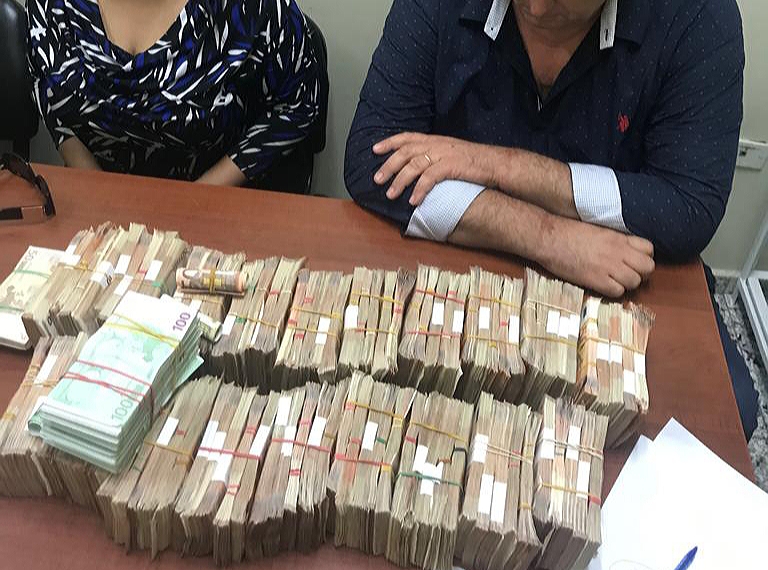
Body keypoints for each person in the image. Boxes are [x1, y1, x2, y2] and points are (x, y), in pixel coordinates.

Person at [345, 0, 758, 438]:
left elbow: (687, 208)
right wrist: (547, 237)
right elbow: (371, 161)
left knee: (723, 413)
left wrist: (497, 165)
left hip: (618, 278)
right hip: (463, 260)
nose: (538, 8)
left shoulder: (699, 16)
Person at [27, 0, 320, 188]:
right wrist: (98, 190)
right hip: (94, 207)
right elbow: (50, 89)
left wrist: (202, 195)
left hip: (219, 202)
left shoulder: (253, 8)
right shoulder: (51, 7)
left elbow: (297, 105)